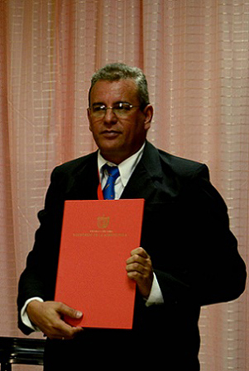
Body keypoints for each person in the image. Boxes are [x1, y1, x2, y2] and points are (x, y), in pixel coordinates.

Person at [17, 63, 246, 370]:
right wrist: (33, 307)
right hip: (73, 357)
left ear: (147, 115)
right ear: (88, 118)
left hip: (155, 358)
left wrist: (154, 284)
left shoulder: (186, 180)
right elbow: (40, 262)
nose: (108, 118)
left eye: (122, 107)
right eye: (99, 108)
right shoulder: (66, 179)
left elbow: (230, 277)